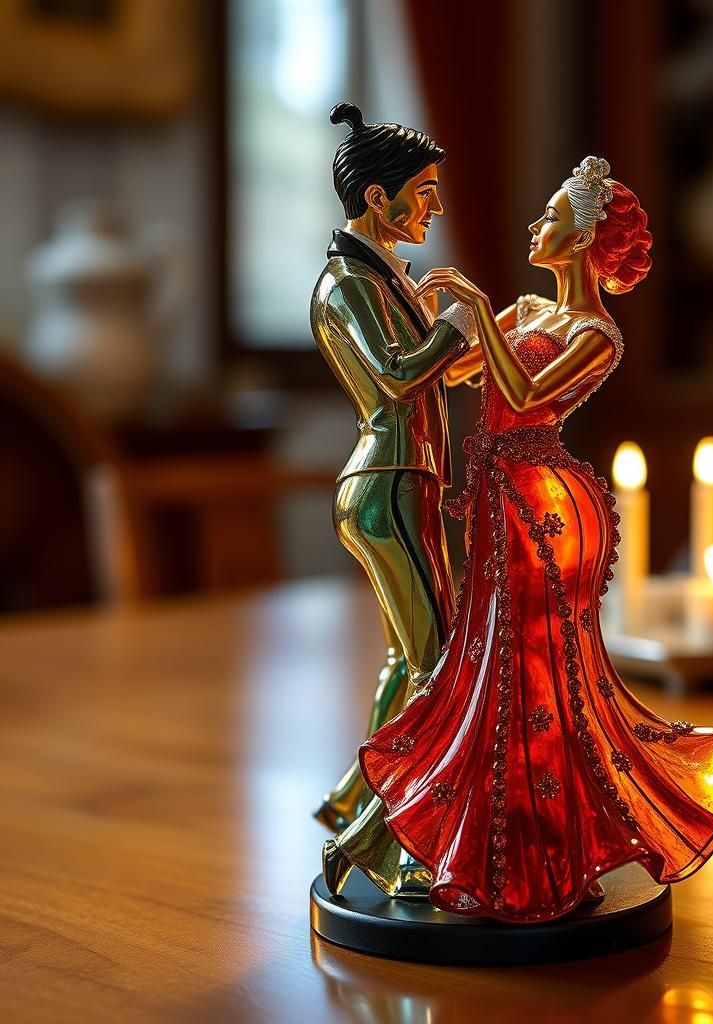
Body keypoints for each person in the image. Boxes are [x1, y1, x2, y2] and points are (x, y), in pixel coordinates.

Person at [337, 157, 713, 923]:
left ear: (583, 237)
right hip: (495, 501)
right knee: (490, 662)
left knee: (541, 666)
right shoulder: (523, 312)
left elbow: (524, 397)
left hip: (548, 508)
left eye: (551, 214)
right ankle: (500, 843)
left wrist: (477, 311)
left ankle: (552, 844)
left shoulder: (596, 335)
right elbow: (448, 373)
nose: (534, 225)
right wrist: (413, 313)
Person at [310, 102, 479, 897]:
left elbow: (428, 367)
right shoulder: (346, 281)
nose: (435, 207)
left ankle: (355, 794)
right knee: (441, 667)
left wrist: (464, 342)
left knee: (405, 656)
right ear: (378, 200)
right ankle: (388, 838)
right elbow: (399, 372)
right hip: (389, 484)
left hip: (402, 482)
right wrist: (450, 324)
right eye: (424, 191)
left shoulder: (382, 277)